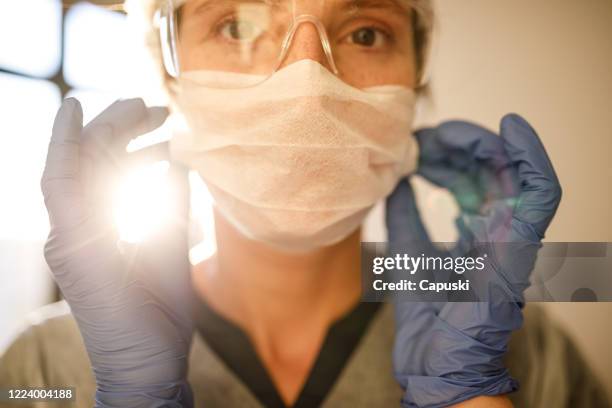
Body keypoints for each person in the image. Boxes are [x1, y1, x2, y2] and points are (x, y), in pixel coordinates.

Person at [0, 0, 609, 407]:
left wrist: (475, 401)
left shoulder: (523, 353)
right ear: (168, 74)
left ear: (418, 81)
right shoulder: (41, 370)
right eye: (235, 24)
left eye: (365, 32)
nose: (307, 82)